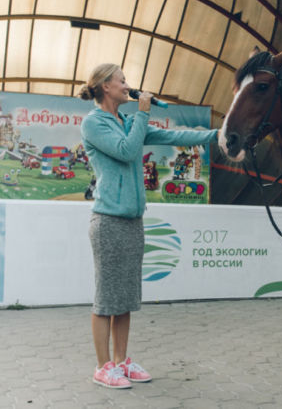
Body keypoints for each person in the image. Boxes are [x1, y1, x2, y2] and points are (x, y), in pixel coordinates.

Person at [79, 64, 219, 389]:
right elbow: (127, 152)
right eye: (122, 81)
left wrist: (217, 136)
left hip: (132, 221)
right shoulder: (94, 123)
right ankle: (103, 367)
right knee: (106, 298)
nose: (128, 86)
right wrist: (143, 113)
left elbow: (173, 135)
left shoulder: (127, 121)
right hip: (108, 222)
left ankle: (121, 361)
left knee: (125, 298)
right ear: (104, 87)